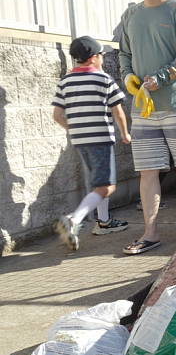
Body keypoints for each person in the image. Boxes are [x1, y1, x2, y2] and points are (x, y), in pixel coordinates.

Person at [119, 0, 176, 255]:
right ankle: (150, 233)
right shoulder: (130, 15)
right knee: (148, 172)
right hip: (143, 111)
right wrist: (128, 79)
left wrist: (160, 78)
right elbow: (124, 54)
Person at [52, 36, 132, 251]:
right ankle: (74, 220)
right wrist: (125, 133)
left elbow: (57, 115)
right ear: (94, 57)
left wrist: (74, 129)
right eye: (102, 56)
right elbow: (118, 110)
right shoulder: (103, 79)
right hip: (101, 138)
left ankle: (103, 221)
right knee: (107, 186)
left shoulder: (65, 81)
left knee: (99, 183)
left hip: (80, 141)